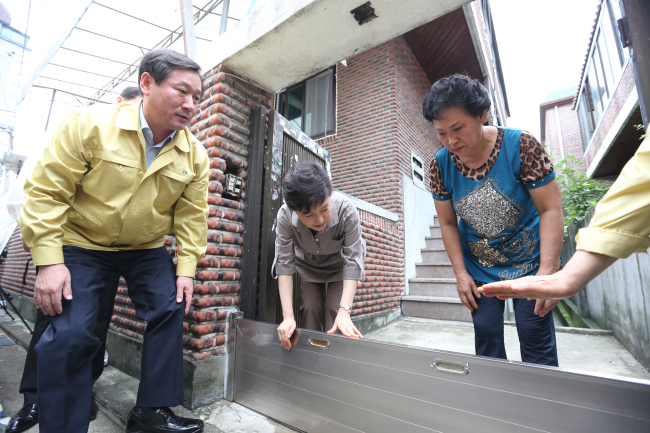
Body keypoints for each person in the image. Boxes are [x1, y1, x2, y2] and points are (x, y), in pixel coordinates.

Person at [18, 48, 209, 433]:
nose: (191, 105)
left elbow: (192, 217)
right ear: (146, 84)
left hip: (145, 249)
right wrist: (49, 261)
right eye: (181, 91)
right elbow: (46, 193)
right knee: (70, 333)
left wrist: (186, 271)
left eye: (198, 97)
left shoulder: (196, 155)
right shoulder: (89, 124)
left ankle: (151, 413)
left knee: (170, 306)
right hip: (82, 243)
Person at [5, 89, 143, 433]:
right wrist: (36, 234)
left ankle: (79, 390)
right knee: (53, 322)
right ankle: (35, 399)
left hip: (100, 249)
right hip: (60, 243)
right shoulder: (85, 124)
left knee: (93, 324)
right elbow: (37, 180)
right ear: (118, 102)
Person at [422, 74, 564, 366]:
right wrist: (461, 274)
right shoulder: (439, 165)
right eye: (441, 133)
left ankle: (544, 407)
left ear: (482, 115)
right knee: (486, 334)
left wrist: (549, 270)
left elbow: (551, 208)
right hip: (480, 266)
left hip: (530, 263)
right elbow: (447, 224)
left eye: (457, 128)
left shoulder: (522, 145)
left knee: (534, 332)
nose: (451, 141)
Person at [479, 135, 650, 300]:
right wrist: (570, 277)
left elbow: (551, 209)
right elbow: (643, 181)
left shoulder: (520, 142)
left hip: (533, 261)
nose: (451, 141)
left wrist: (557, 270)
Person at [274, 162, 366, 350]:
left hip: (341, 267)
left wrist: (344, 311)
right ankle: (312, 359)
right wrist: (288, 318)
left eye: (324, 209)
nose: (320, 220)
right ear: (295, 211)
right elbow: (284, 264)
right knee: (310, 309)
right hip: (308, 265)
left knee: (336, 312)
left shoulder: (346, 209)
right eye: (308, 215)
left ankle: (335, 363)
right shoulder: (284, 216)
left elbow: (353, 261)